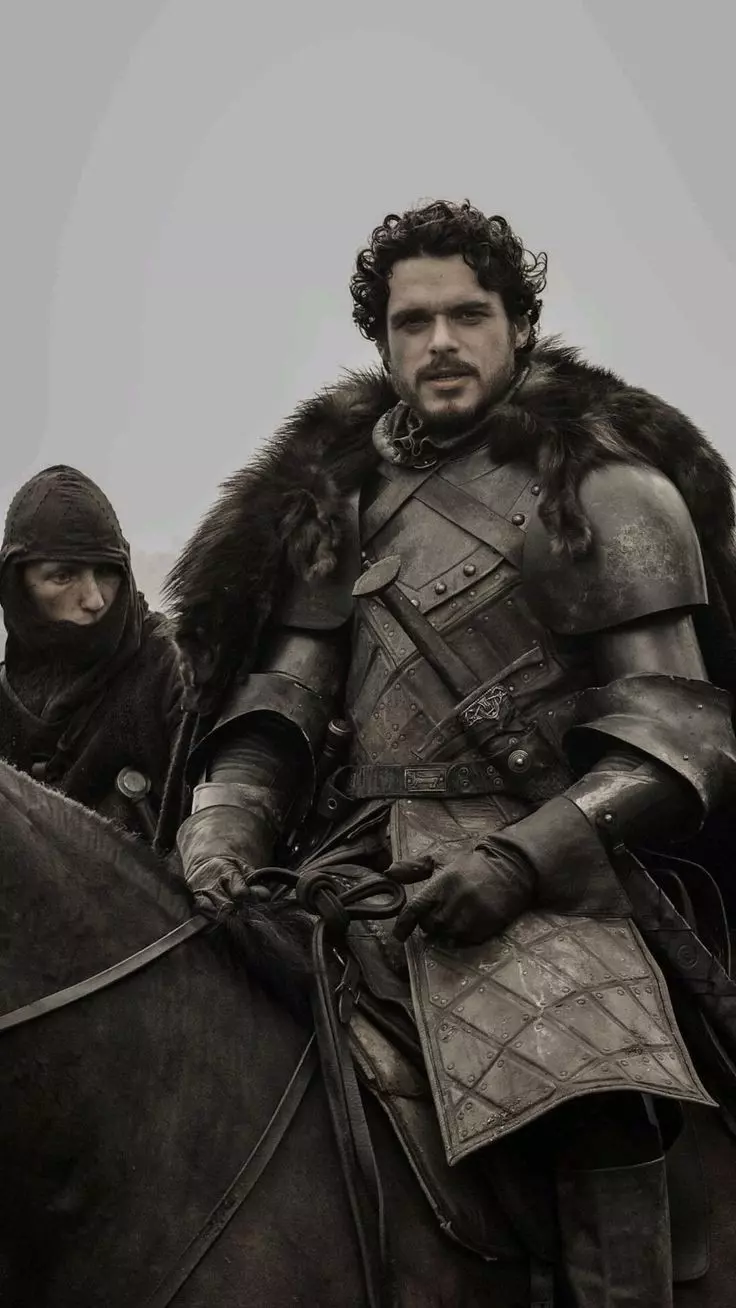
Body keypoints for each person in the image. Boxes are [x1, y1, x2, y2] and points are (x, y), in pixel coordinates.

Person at [164, 200, 736, 1305]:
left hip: (557, 872)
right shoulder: (335, 508)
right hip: (355, 861)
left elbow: (680, 734)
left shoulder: (602, 492)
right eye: (411, 321)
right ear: (381, 344)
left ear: (518, 325)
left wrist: (521, 859)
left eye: (467, 315)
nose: (439, 342)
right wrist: (221, 826)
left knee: (594, 1077)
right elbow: (281, 707)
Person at [0, 464, 184, 840]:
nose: (95, 599)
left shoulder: (176, 672)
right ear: (17, 586)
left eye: (106, 571)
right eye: (63, 576)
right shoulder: (5, 699)